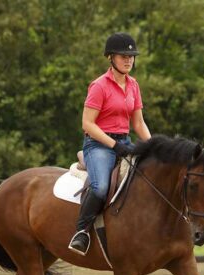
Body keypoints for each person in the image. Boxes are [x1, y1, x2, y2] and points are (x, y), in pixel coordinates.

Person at [68, 32, 152, 255]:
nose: (128, 60)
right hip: (99, 145)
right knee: (101, 187)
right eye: (123, 56)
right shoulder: (99, 86)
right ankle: (82, 232)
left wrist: (154, 147)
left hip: (125, 142)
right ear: (111, 58)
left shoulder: (133, 85)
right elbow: (87, 123)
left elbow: (139, 122)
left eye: (131, 56)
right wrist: (114, 146)